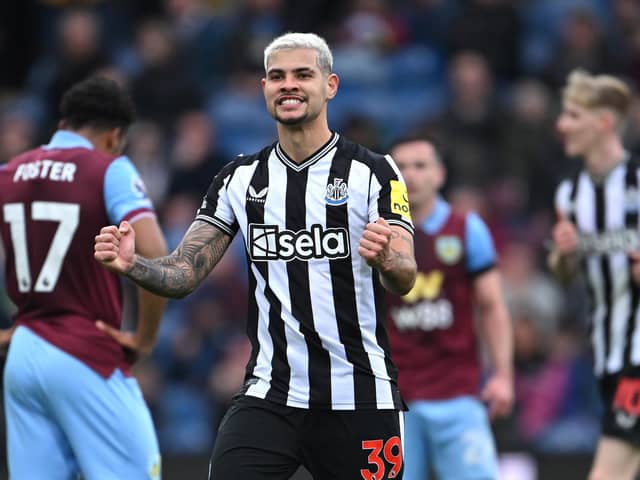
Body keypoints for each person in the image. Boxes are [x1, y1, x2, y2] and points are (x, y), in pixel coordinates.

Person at [95, 32, 417, 480]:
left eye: (303, 75)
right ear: (264, 88)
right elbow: (184, 273)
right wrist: (134, 265)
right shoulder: (238, 179)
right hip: (271, 395)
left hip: (360, 396)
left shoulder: (375, 172)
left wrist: (388, 259)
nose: (289, 85)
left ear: (331, 85)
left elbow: (406, 274)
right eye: (276, 76)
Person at [0, 75, 167, 479]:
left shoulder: (8, 172)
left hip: (22, 359)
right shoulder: (109, 169)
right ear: (114, 136)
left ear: (62, 126)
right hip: (85, 351)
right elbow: (156, 255)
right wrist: (143, 338)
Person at [385, 136, 514, 480]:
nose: (410, 175)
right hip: (393, 400)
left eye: (420, 165)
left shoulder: (467, 229)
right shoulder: (375, 235)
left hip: (458, 394)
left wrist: (502, 375)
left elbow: (492, 306)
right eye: (400, 167)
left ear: (439, 174)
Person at [549, 69, 639, 480]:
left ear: (604, 121)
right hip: (608, 354)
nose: (561, 124)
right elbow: (565, 275)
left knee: (607, 473)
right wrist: (565, 255)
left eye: (572, 115)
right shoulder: (568, 194)